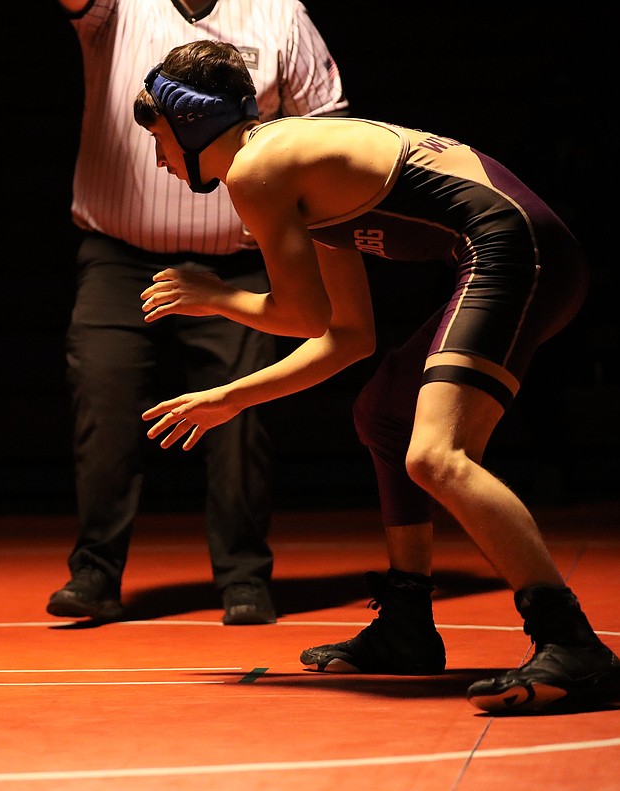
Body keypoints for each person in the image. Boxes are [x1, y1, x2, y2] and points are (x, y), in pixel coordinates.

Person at [132, 39, 620, 713]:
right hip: (522, 247)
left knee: (435, 454)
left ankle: (572, 642)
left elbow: (298, 314)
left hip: (516, 249)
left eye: (159, 136)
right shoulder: (293, 160)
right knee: (385, 413)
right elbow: (345, 336)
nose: (157, 156)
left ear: (189, 121)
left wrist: (212, 293)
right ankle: (407, 624)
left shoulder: (258, 168)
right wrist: (228, 396)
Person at [47, 0, 348, 625]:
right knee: (101, 403)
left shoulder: (281, 16)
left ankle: (243, 577)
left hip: (236, 260)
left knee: (240, 414)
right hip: (119, 256)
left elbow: (329, 126)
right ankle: (95, 572)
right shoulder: (114, 9)